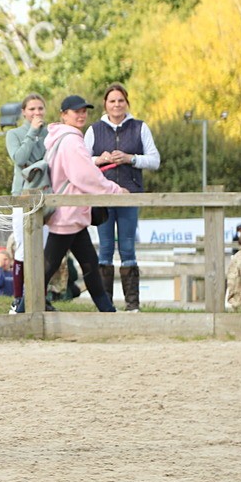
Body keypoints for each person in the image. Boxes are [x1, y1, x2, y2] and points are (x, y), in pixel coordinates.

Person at [42, 96, 128, 312]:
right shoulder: (71, 140)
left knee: (89, 265)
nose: (81, 115)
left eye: (84, 111)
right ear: (63, 115)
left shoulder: (60, 138)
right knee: (50, 267)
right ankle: (25, 306)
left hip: (71, 213)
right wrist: (115, 190)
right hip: (68, 213)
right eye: (75, 111)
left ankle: (108, 312)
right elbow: (84, 175)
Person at [85, 83, 160, 312]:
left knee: (128, 248)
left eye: (120, 100)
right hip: (103, 196)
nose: (116, 105)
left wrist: (131, 158)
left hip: (130, 194)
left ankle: (132, 305)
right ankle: (105, 304)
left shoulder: (140, 127)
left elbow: (155, 160)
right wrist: (99, 159)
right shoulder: (94, 130)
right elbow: (81, 161)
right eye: (112, 101)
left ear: (127, 103)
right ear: (105, 105)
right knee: (105, 248)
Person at [5, 93, 49, 312]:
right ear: (24, 112)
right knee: (22, 248)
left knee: (43, 248)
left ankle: (41, 296)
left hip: (46, 195)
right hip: (21, 195)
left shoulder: (50, 132)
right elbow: (19, 159)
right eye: (32, 109)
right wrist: (32, 132)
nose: (37, 113)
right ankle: (17, 298)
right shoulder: (14, 134)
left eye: (40, 109)